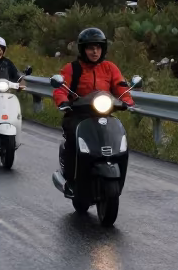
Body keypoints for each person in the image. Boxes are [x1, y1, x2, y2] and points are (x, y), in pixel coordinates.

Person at [52, 27, 135, 187]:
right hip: (78, 113)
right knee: (72, 138)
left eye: (98, 47)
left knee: (118, 139)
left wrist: (127, 100)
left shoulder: (110, 67)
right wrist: (63, 101)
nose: (95, 51)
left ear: (103, 49)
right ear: (83, 49)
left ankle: (117, 174)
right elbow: (60, 88)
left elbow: (120, 86)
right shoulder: (73, 68)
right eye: (90, 48)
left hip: (104, 114)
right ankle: (70, 179)